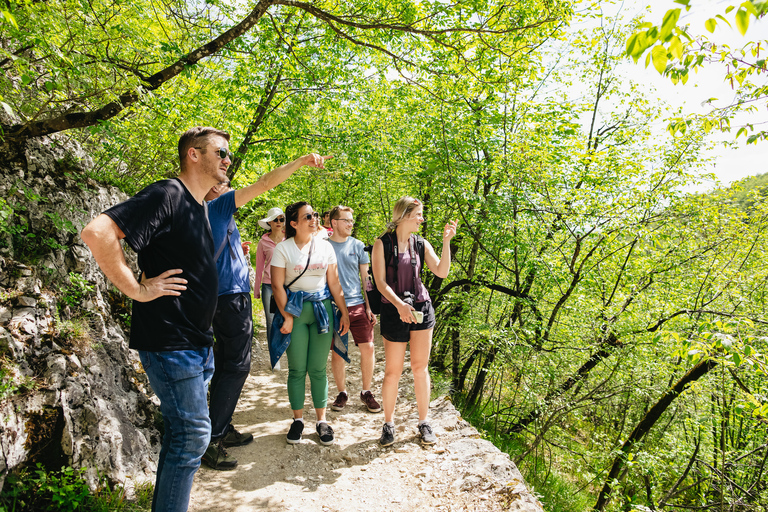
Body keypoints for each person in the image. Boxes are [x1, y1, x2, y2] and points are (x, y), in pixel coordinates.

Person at [80, 126, 228, 512]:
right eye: (220, 152)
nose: (227, 160)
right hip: (170, 340)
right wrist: (136, 289)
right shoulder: (168, 193)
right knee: (194, 435)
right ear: (193, 155)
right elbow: (97, 233)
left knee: (183, 435)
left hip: (196, 342)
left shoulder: (198, 206)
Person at [202, 153, 328, 470]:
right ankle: (213, 438)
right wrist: (300, 162)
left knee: (224, 363)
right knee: (236, 366)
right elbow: (265, 182)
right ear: (212, 189)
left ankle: (221, 427)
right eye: (224, 183)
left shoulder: (202, 214)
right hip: (228, 298)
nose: (228, 186)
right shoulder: (216, 206)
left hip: (220, 297)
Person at [372, 196, 457, 447]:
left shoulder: (420, 243)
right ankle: (388, 425)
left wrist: (446, 242)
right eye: (418, 214)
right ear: (405, 215)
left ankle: (424, 423)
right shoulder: (381, 244)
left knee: (420, 369)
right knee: (393, 372)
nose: (422, 219)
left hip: (421, 309)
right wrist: (399, 305)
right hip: (394, 311)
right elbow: (380, 283)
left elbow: (441, 271)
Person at [270, 202, 350, 445]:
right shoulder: (282, 249)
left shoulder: (325, 248)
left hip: (322, 310)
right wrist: (286, 317)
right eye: (308, 216)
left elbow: (334, 283)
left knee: (317, 369)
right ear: (294, 223)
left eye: (315, 215)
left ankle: (321, 421)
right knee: (297, 369)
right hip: (295, 310)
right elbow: (276, 285)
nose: (314, 219)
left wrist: (344, 313)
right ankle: (297, 421)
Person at [327, 205, 381, 413]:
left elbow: (365, 279)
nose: (351, 224)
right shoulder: (323, 247)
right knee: (339, 352)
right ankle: (342, 393)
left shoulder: (358, 246)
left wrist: (370, 307)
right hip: (333, 306)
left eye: (352, 220)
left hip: (357, 305)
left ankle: (366, 392)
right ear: (334, 223)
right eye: (346, 220)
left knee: (368, 348)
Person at [254, 207, 285, 346]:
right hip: (269, 285)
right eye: (275, 219)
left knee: (287, 316)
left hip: (287, 284)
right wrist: (256, 290)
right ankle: (274, 354)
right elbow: (259, 267)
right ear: (269, 223)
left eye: (281, 219)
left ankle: (287, 348)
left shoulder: (290, 239)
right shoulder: (263, 242)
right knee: (271, 319)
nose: (278, 222)